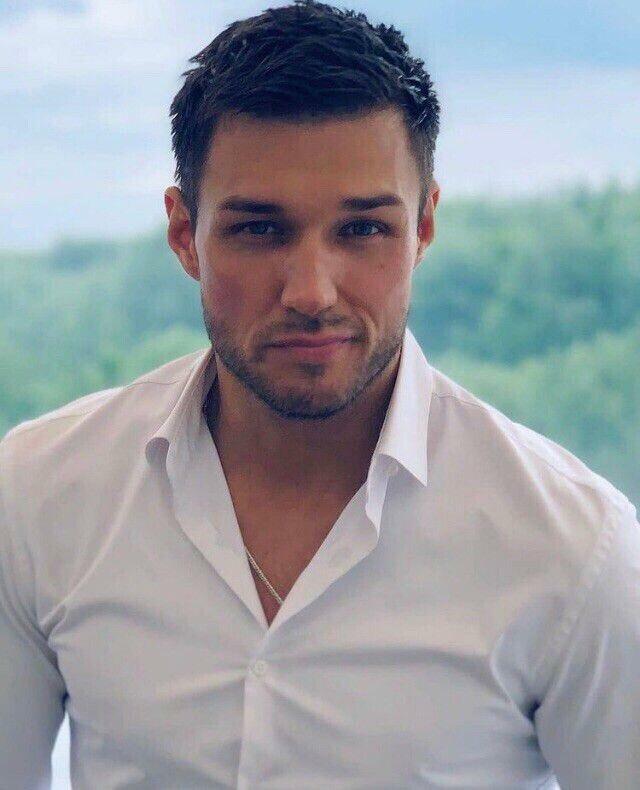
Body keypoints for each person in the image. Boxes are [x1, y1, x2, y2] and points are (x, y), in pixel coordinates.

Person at [1, 0, 638, 787]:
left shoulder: (576, 549)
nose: (311, 291)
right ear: (183, 233)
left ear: (424, 227)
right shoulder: (37, 494)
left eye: (362, 229)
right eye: (260, 229)